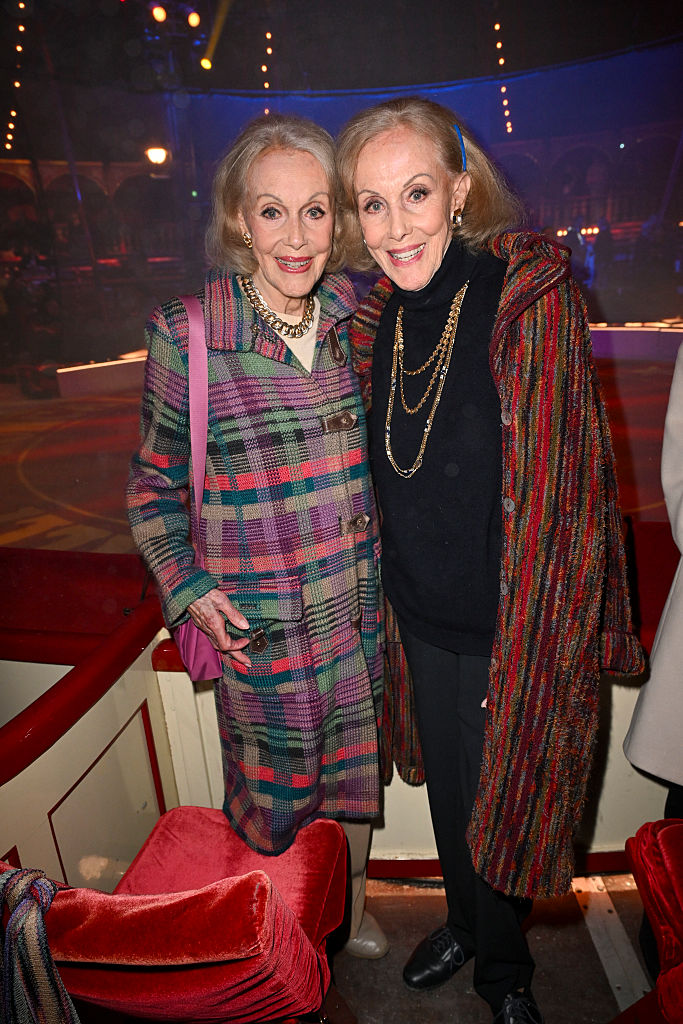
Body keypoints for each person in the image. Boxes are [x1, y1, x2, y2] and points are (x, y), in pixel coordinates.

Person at [337, 96, 644, 1022]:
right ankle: (467, 926)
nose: (395, 228)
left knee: (502, 806)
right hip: (417, 615)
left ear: (461, 192)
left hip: (512, 621)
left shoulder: (526, 301)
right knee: (452, 799)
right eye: (372, 204)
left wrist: (557, 623)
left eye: (416, 194)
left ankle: (503, 974)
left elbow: (573, 480)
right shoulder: (371, 324)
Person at [127, 114, 388, 960]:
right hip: (263, 634)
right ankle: (288, 940)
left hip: (356, 621)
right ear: (239, 218)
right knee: (275, 812)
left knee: (354, 794)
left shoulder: (353, 313)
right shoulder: (190, 331)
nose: (296, 237)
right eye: (272, 211)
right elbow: (152, 486)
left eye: (315, 211)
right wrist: (192, 591)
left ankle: (347, 918)